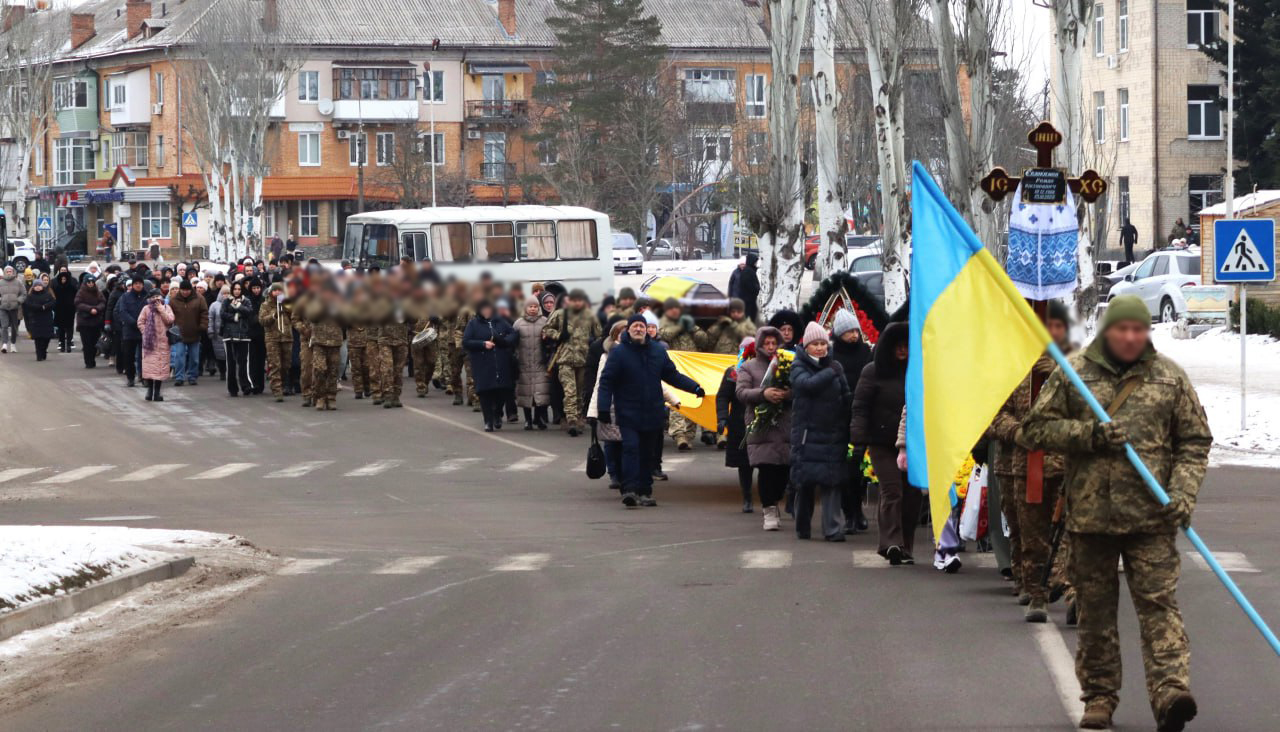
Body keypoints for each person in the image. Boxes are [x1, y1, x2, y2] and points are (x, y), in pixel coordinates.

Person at [1018, 295, 1211, 732]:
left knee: (1159, 608)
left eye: (1138, 330)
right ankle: (1100, 698)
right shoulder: (1075, 374)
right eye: (1122, 329)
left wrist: (1182, 493)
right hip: (1091, 520)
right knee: (1095, 613)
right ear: (1108, 331)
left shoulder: (1169, 377)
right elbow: (1033, 430)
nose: (1130, 337)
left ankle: (1170, 694)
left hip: (1152, 519)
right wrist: (1089, 435)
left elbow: (1194, 441)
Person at [986, 300, 1073, 621]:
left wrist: (1061, 375)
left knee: (1067, 532)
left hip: (1065, 465)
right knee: (1027, 531)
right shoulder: (1012, 370)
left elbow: (1091, 407)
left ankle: (1065, 588)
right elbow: (995, 415)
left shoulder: (1074, 371)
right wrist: (1020, 432)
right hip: (1021, 466)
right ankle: (1033, 588)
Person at [596, 314, 704, 508]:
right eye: (635, 326)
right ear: (629, 329)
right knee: (630, 448)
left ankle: (645, 491)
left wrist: (694, 387)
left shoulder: (657, 351)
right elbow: (606, 381)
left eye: (642, 326)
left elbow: (672, 375)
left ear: (647, 330)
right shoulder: (619, 353)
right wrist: (602, 408)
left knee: (647, 453)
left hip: (652, 412)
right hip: (628, 412)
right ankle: (629, 490)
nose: (638, 329)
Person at [851, 321, 916, 565]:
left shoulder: (918, 371)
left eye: (906, 345)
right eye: (897, 346)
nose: (902, 350)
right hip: (881, 442)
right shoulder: (872, 371)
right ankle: (891, 543)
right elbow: (860, 407)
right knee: (892, 490)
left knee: (911, 496)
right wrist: (858, 441)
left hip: (912, 443)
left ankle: (905, 546)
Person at [789, 322, 853, 541]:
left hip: (833, 434)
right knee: (805, 483)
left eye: (823, 344)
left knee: (832, 482)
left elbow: (845, 395)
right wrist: (830, 372)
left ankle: (833, 529)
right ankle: (802, 526)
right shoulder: (798, 366)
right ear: (806, 346)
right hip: (807, 435)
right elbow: (807, 385)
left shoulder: (835, 366)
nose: (819, 348)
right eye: (815, 344)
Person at [736, 325, 792, 530]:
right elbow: (741, 392)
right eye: (766, 343)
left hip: (784, 425)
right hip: (761, 426)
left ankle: (775, 501)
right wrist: (763, 394)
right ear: (759, 344)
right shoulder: (748, 367)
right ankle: (769, 510)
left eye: (773, 343)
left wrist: (786, 394)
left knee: (783, 470)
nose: (770, 346)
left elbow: (799, 388)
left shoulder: (787, 364)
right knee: (767, 469)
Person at [829, 309, 872, 533]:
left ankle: (858, 511)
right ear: (839, 333)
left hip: (863, 417)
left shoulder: (866, 352)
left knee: (860, 469)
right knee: (845, 471)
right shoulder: (832, 354)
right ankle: (849, 514)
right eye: (848, 332)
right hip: (840, 418)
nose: (854, 335)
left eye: (856, 330)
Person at [542, 288, 602, 436]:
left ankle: (579, 416)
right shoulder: (560, 314)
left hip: (583, 359)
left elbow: (599, 334)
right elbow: (546, 329)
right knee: (570, 391)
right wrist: (558, 335)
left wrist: (593, 344)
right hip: (565, 359)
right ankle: (571, 420)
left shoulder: (589, 316)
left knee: (580, 392)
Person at [657, 297, 707, 450]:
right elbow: (664, 336)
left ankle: (689, 435)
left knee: (692, 399)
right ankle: (679, 434)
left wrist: (693, 329)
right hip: (675, 368)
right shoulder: (664, 323)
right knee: (677, 400)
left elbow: (704, 341)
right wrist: (680, 326)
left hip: (693, 368)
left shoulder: (691, 323)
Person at [463, 300, 519, 431]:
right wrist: (483, 344)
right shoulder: (473, 324)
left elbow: (513, 334)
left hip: (501, 362)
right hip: (483, 363)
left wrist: (503, 341)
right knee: (485, 392)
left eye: (488, 309)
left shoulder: (500, 321)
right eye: (484, 309)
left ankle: (497, 414)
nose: (486, 311)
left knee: (502, 391)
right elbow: (466, 341)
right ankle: (488, 421)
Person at [716, 337, 755, 512]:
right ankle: (747, 496)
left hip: (764, 422)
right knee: (744, 463)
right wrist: (722, 418)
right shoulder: (733, 373)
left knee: (767, 462)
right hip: (740, 423)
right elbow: (723, 396)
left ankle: (770, 497)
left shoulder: (768, 369)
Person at [513, 296, 551, 429]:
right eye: (530, 306)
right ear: (525, 308)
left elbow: (550, 339)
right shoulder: (518, 323)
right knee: (526, 393)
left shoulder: (545, 321)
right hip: (524, 363)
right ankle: (527, 420)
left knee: (541, 393)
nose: (533, 309)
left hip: (540, 363)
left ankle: (538, 418)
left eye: (535, 306)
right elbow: (513, 342)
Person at [258, 282, 295, 401]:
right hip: (272, 338)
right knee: (275, 364)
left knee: (286, 365)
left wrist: (288, 308)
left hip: (286, 337)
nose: (277, 293)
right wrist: (273, 316)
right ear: (271, 292)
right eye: (275, 291)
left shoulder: (288, 304)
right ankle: (277, 389)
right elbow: (262, 321)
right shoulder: (265, 305)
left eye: (279, 290)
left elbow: (295, 317)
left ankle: (282, 384)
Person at [169, 278, 208, 386]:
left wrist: (202, 326)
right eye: (183, 290)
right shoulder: (174, 300)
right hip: (179, 334)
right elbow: (169, 315)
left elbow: (204, 313)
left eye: (187, 290)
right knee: (179, 357)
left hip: (195, 332)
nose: (185, 292)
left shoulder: (199, 298)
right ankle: (179, 377)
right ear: (180, 290)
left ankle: (192, 376)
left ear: (191, 289)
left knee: (194, 358)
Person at [136, 289, 175, 401]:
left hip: (163, 342)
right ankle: (149, 391)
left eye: (158, 296)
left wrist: (161, 309)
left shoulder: (166, 307)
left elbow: (170, 320)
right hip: (150, 343)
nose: (156, 299)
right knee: (150, 367)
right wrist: (146, 333)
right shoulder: (146, 308)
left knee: (160, 368)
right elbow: (140, 322)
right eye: (153, 297)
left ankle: (157, 392)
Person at [221, 281, 257, 397]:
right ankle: (232, 388)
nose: (237, 291)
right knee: (230, 363)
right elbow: (223, 314)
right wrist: (235, 317)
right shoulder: (226, 301)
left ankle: (246, 385)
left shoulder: (246, 301)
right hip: (229, 335)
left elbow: (249, 312)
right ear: (232, 290)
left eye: (239, 289)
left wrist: (238, 307)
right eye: (235, 289)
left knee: (243, 362)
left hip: (243, 335)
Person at [114, 277, 148, 386]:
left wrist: (142, 323)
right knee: (128, 355)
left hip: (144, 330)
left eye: (140, 283)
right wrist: (134, 322)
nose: (138, 285)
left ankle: (144, 377)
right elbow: (122, 312)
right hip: (129, 330)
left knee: (144, 356)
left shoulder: (146, 296)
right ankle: (130, 377)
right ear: (132, 285)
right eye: (136, 283)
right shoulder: (125, 296)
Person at [74, 275, 106, 368]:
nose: (91, 284)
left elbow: (103, 302)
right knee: (86, 343)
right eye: (89, 282)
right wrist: (89, 309)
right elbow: (78, 303)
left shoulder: (98, 292)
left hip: (96, 321)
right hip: (84, 322)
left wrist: (97, 309)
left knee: (94, 342)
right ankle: (88, 362)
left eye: (92, 282)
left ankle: (92, 358)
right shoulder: (81, 292)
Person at [22, 279, 55, 360]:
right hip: (35, 319)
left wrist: (45, 306)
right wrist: (39, 307)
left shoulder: (47, 294)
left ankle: (43, 350)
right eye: (36, 286)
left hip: (47, 319)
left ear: (42, 286)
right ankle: (39, 355)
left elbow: (52, 302)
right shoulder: (30, 296)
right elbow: (28, 305)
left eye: (39, 285)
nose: (38, 287)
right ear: (33, 287)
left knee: (47, 337)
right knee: (38, 338)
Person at [0, 265, 26, 353]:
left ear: (13, 272)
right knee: (4, 326)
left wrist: (18, 301)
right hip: (3, 308)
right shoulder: (1, 282)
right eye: (7, 271)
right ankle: (4, 344)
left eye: (10, 271)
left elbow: (23, 293)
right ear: (5, 272)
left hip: (14, 308)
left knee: (14, 327)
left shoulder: (18, 282)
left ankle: (13, 344)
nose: (9, 273)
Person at [52, 270, 78, 353]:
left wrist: (74, 308)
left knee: (69, 329)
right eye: (62, 279)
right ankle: (62, 345)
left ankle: (69, 344)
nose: (63, 280)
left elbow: (75, 299)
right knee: (61, 329)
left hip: (69, 311)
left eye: (65, 279)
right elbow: (55, 300)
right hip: (59, 311)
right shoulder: (57, 288)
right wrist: (55, 308)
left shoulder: (72, 288)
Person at [207, 285, 229, 381]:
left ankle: (229, 372)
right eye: (224, 293)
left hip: (230, 332)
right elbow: (210, 318)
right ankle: (222, 371)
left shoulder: (233, 303)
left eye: (228, 293)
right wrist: (210, 330)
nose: (226, 295)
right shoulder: (214, 305)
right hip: (218, 334)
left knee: (229, 354)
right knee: (219, 354)